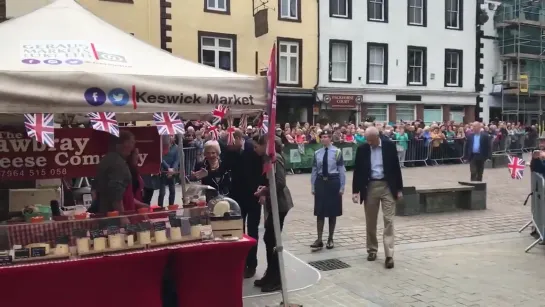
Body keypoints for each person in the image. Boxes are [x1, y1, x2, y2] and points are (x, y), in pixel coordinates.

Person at [352, 126, 403, 269]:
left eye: (371, 140)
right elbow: (358, 171)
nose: (369, 143)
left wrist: (399, 189)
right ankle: (372, 249)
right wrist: (355, 191)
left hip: (387, 186)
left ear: (377, 137)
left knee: (389, 219)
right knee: (371, 220)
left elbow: (396, 168)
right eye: (367, 140)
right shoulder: (362, 149)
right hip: (370, 186)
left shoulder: (389, 146)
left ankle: (389, 255)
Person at [252, 134, 293, 292]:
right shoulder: (267, 159)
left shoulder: (276, 158)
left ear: (265, 145)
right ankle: (270, 274)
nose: (255, 150)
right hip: (273, 203)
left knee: (272, 240)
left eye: (257, 146)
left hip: (280, 203)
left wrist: (265, 191)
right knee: (269, 239)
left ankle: (276, 278)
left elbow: (280, 183)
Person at [222, 129, 263, 278]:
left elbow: (262, 172)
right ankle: (241, 262)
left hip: (253, 197)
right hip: (237, 197)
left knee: (252, 231)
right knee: (238, 231)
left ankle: (252, 264)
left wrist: (262, 192)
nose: (228, 145)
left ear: (239, 138)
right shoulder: (230, 150)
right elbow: (224, 168)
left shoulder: (253, 148)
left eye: (230, 142)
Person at [310, 130, 345, 250]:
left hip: (333, 181)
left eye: (326, 137)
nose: (324, 139)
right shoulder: (317, 153)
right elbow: (314, 170)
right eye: (322, 137)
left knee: (332, 211)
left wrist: (342, 186)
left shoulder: (337, 152)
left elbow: (341, 170)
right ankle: (319, 239)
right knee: (319, 211)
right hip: (321, 182)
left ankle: (330, 238)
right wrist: (313, 185)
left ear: (331, 139)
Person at [94, 130, 135, 214]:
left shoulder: (107, 159)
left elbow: (94, 189)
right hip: (114, 215)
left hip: (105, 211)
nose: (132, 146)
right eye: (131, 142)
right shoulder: (117, 163)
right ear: (124, 144)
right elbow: (116, 192)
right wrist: (121, 216)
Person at [158, 135, 179, 207]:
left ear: (175, 138)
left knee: (172, 191)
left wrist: (173, 169)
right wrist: (168, 168)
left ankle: (171, 207)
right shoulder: (162, 146)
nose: (171, 137)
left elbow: (177, 160)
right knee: (162, 192)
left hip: (172, 171)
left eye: (172, 136)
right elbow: (161, 158)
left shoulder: (176, 147)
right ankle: (160, 208)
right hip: (163, 170)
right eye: (169, 136)